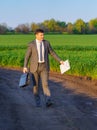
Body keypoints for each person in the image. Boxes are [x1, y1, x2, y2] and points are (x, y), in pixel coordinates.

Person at [23, 29, 64, 107]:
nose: (43, 36)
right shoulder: (31, 44)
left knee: (45, 84)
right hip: (34, 68)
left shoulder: (46, 43)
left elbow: (52, 53)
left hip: (44, 67)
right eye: (41, 35)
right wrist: (25, 66)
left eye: (43, 35)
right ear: (36, 35)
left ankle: (48, 101)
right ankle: (38, 103)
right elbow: (27, 56)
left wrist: (60, 61)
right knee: (36, 86)